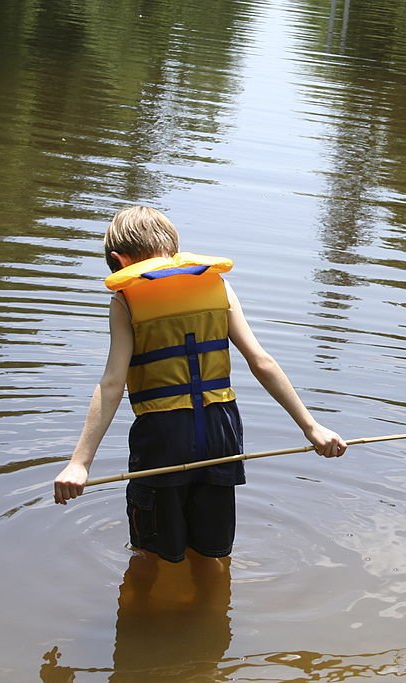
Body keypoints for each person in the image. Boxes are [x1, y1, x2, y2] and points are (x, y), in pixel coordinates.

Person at [53, 205, 347, 566]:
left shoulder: (125, 300)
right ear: (173, 250)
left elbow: (113, 383)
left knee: (152, 560)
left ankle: (156, 619)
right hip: (220, 435)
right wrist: (311, 427)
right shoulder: (217, 286)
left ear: (119, 259)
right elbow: (262, 361)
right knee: (214, 558)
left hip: (162, 441)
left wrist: (80, 463)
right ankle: (210, 614)